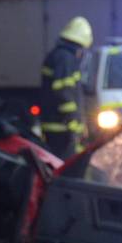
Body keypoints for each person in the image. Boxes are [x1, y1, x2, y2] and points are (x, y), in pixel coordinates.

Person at [37, 16, 92, 158]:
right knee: (65, 164)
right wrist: (73, 122)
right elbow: (63, 92)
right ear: (79, 46)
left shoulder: (60, 55)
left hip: (58, 125)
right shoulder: (65, 59)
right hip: (61, 127)